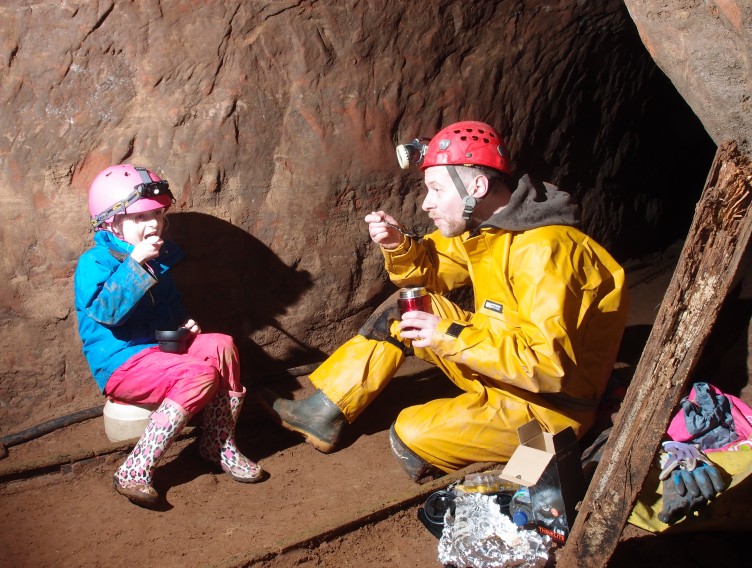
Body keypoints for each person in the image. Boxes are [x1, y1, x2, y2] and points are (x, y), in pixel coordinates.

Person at [262, 120, 629, 482]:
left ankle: (544, 455)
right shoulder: (490, 228)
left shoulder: (547, 252)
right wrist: (398, 245)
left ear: (479, 186)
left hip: (548, 405)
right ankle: (323, 413)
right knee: (408, 307)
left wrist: (447, 335)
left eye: (436, 189)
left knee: (410, 434)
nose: (426, 203)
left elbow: (547, 367)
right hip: (499, 367)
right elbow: (430, 272)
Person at [74, 164, 263, 507]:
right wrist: (135, 265)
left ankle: (218, 444)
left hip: (158, 350)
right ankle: (135, 468)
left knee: (221, 345)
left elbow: (170, 308)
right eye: (139, 219)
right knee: (199, 375)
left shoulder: (159, 259)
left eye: (158, 215)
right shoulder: (95, 262)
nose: (152, 225)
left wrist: (184, 324)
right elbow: (107, 314)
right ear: (110, 223)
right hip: (121, 362)